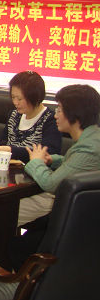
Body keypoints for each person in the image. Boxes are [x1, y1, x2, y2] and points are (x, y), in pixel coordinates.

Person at [18, 84, 100, 226]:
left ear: (75, 113)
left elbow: (50, 183)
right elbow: (77, 164)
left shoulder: (88, 148)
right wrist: (52, 160)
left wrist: (36, 162)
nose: (55, 115)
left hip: (68, 208)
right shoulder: (93, 137)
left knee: (0, 212)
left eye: (60, 110)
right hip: (80, 208)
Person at [0, 71, 61, 162]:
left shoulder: (51, 119)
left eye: (20, 99)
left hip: (32, 169)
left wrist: (11, 151)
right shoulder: (14, 115)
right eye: (13, 97)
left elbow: (49, 154)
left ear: (35, 97)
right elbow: (3, 143)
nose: (15, 102)